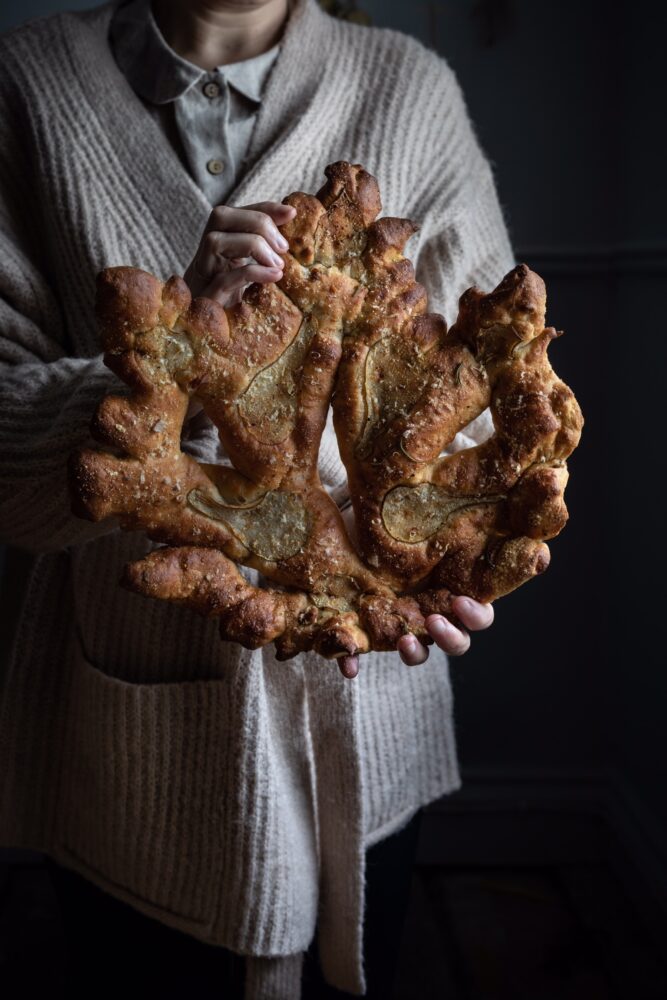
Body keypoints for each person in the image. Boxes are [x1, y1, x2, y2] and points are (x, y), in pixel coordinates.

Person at [0, 0, 515, 996]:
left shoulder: (408, 92)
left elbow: (487, 407)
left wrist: (457, 557)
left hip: (365, 695)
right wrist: (168, 364)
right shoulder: (29, 90)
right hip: (131, 721)